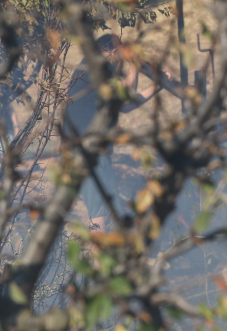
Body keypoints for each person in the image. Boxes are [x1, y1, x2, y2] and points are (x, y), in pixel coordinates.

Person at [64, 34, 171, 227]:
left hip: (91, 146)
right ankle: (97, 255)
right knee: (99, 211)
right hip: (86, 146)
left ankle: (105, 253)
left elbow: (125, 105)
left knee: (106, 208)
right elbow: (127, 95)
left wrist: (156, 86)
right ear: (112, 51)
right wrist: (135, 66)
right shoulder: (97, 68)